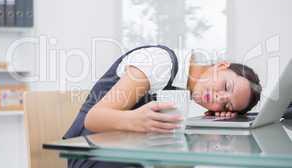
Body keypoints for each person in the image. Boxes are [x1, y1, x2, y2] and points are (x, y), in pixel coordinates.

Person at [64, 45, 262, 168]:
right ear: (221, 66)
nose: (219, 97)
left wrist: (215, 118)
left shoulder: (185, 85)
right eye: (226, 86)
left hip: (128, 154)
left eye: (226, 104)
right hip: (93, 155)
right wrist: (136, 121)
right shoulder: (159, 63)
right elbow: (94, 117)